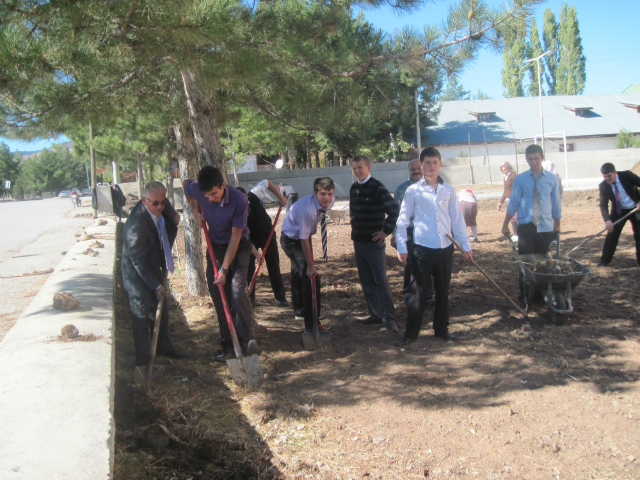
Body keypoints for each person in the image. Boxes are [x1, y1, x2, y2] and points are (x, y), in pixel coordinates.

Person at [395, 147, 472, 346]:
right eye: (427, 162)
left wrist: (465, 245)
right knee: (417, 293)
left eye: (434, 162)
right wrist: (402, 247)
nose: (431, 166)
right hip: (422, 248)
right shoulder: (413, 191)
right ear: (421, 165)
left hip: (445, 247)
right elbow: (402, 220)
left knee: (443, 290)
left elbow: (457, 220)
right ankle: (411, 333)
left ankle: (441, 329)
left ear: (440, 164)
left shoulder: (448, 190)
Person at [183, 166, 257, 361]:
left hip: (239, 246)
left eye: (214, 194)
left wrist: (224, 270)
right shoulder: (199, 190)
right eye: (206, 196)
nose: (210, 199)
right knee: (218, 293)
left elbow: (235, 237)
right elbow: (185, 185)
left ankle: (246, 341)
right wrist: (195, 211)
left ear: (223, 185)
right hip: (215, 246)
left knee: (237, 290)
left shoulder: (238, 200)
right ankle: (229, 345)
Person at [121, 181, 188, 367]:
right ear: (144, 200)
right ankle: (144, 363)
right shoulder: (136, 226)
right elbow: (138, 263)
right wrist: (156, 285)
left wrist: (173, 217)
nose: (160, 207)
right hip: (136, 273)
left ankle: (163, 348)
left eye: (163, 202)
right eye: (155, 203)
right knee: (141, 315)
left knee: (161, 309)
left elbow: (172, 220)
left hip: (153, 264)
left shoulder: (160, 208)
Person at [501, 145, 561, 309]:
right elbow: (513, 203)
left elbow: (556, 204)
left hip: (545, 227)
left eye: (537, 158)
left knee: (542, 262)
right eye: (530, 159)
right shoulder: (520, 179)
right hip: (526, 227)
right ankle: (524, 297)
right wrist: (505, 225)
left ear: (542, 157)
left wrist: (557, 226)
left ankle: (539, 295)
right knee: (525, 264)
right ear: (526, 159)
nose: (534, 162)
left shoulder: (551, 178)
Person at [349, 155, 400, 333]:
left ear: (368, 168)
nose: (357, 171)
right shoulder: (354, 187)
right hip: (359, 242)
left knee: (381, 279)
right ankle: (375, 314)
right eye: (354, 168)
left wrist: (386, 231)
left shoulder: (377, 187)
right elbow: (353, 212)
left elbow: (394, 209)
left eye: (360, 168)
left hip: (374, 244)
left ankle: (390, 317)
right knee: (366, 280)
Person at [280, 177, 335, 335]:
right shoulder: (307, 211)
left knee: (299, 273)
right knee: (311, 278)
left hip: (302, 235)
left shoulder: (329, 201)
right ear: (314, 193)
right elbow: (303, 240)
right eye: (323, 194)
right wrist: (311, 266)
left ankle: (301, 311)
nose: (327, 198)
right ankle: (312, 325)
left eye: (330, 194)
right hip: (291, 240)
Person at [236, 179, 290, 306]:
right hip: (250, 239)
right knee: (249, 268)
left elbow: (267, 182)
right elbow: (245, 237)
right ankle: (251, 299)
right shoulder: (236, 213)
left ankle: (280, 297)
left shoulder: (254, 194)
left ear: (247, 196)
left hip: (267, 234)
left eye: (244, 200)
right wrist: (256, 254)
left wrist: (281, 199)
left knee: (274, 266)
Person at [390, 157, 434, 305]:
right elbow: (396, 213)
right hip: (409, 232)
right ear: (409, 170)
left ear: (423, 168)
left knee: (427, 264)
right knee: (410, 264)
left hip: (428, 232)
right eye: (412, 169)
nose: (416, 171)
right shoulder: (402, 189)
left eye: (418, 168)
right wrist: (395, 234)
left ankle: (428, 295)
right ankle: (408, 294)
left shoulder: (432, 186)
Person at [596, 163, 640, 267]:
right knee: (612, 233)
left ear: (615, 172)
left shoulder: (627, 175)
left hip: (636, 209)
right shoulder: (603, 186)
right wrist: (607, 220)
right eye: (604, 176)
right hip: (619, 211)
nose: (607, 178)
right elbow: (603, 205)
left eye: (609, 176)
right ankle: (605, 260)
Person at [497, 161, 518, 240]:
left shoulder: (513, 176)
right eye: (502, 170)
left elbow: (517, 188)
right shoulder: (505, 177)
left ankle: (517, 234)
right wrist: (500, 202)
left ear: (509, 168)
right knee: (512, 216)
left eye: (505, 170)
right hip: (508, 199)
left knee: (514, 217)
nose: (504, 172)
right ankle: (516, 234)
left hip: (514, 198)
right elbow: (505, 190)